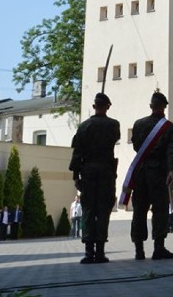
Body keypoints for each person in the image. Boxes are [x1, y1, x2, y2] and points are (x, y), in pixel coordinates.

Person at [129, 91, 173, 261]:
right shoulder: (170, 128)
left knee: (139, 210)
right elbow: (172, 151)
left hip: (141, 172)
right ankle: (159, 248)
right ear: (164, 107)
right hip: (158, 172)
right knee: (160, 209)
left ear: (151, 106)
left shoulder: (138, 124)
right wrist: (171, 170)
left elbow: (137, 147)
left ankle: (139, 250)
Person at [70, 92, 120, 263]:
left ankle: (88, 251)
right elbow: (116, 138)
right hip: (106, 171)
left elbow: (77, 152)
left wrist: (76, 175)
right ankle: (100, 251)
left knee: (88, 210)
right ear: (108, 106)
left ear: (93, 106)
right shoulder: (114, 125)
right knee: (103, 210)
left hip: (88, 171)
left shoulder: (84, 126)